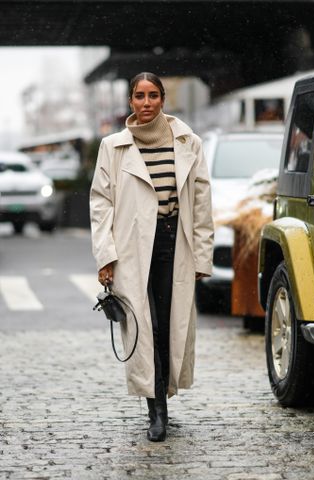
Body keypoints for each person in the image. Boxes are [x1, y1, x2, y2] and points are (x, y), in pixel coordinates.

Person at [90, 72, 214, 442]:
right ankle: (155, 409)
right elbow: (101, 204)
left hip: (176, 244)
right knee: (146, 328)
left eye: (154, 95)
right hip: (132, 248)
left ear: (163, 100)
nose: (147, 103)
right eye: (140, 96)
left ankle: (163, 399)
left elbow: (202, 201)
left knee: (169, 326)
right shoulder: (112, 147)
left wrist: (202, 256)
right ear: (130, 102)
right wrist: (106, 256)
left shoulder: (187, 141)